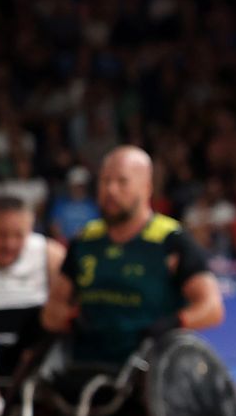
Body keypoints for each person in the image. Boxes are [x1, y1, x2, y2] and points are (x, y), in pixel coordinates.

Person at [42, 146, 225, 367]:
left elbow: (212, 308)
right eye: (104, 181)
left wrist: (172, 323)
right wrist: (70, 319)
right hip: (88, 365)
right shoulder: (84, 241)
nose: (111, 190)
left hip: (152, 366)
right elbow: (52, 310)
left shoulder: (172, 240)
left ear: (146, 187)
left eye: (122, 182)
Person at [0, 195, 65, 416]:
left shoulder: (49, 253)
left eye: (18, 235)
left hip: (33, 350)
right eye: (0, 234)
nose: (9, 244)